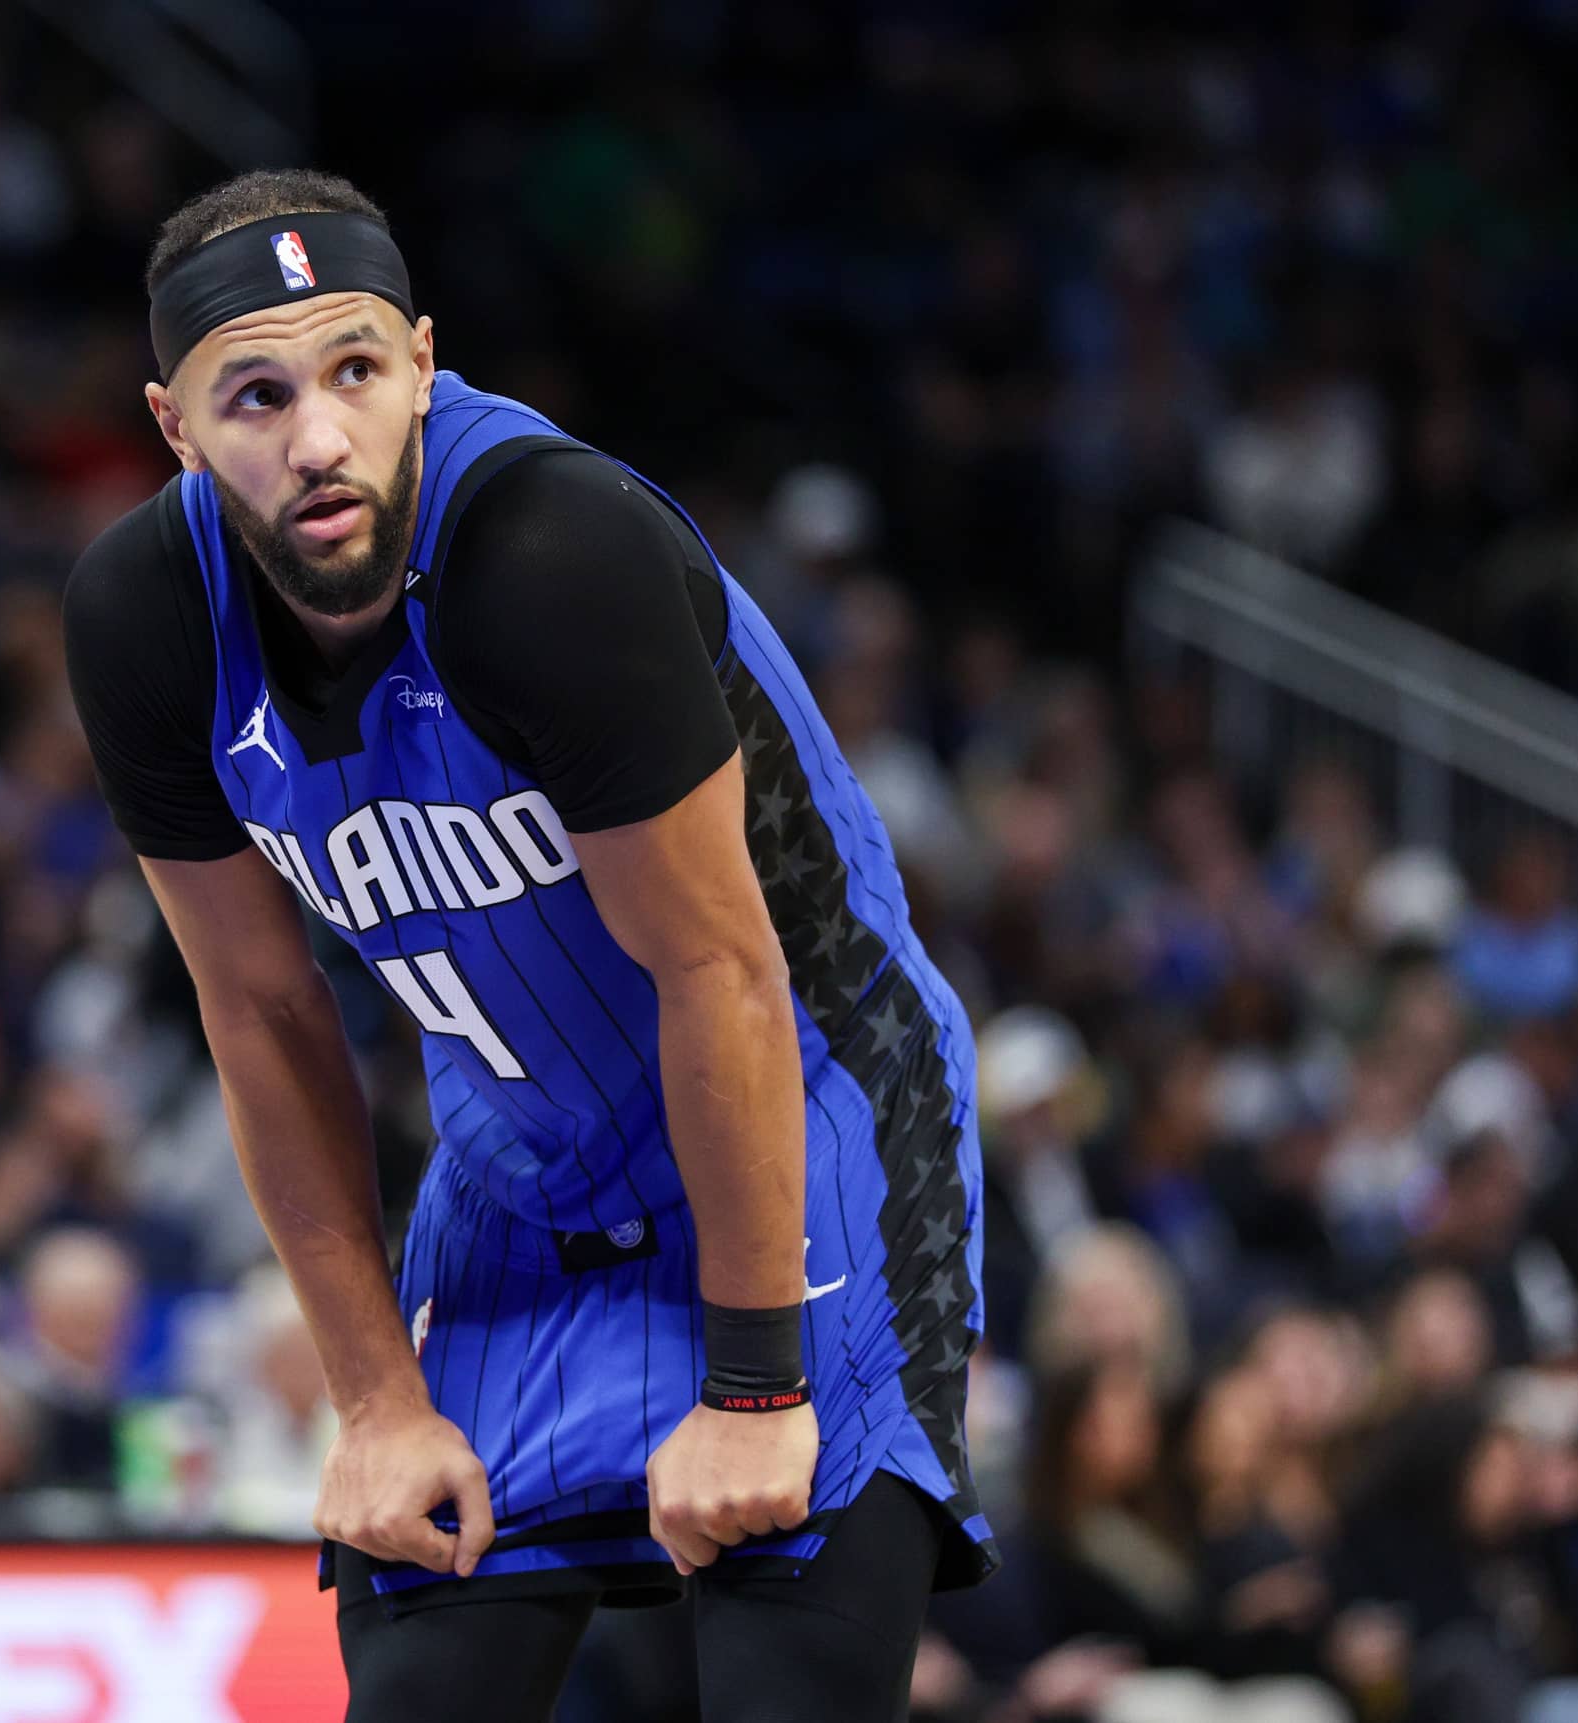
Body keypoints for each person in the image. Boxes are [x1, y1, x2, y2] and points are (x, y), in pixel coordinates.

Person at [63, 169, 993, 1722]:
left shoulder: (553, 553)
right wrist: (370, 1401)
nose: (316, 437)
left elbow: (723, 973)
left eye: (356, 370)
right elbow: (258, 1008)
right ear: (174, 426)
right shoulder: (143, 620)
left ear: (423, 362)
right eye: (255, 394)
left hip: (802, 1122)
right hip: (520, 1177)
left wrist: (756, 1385)